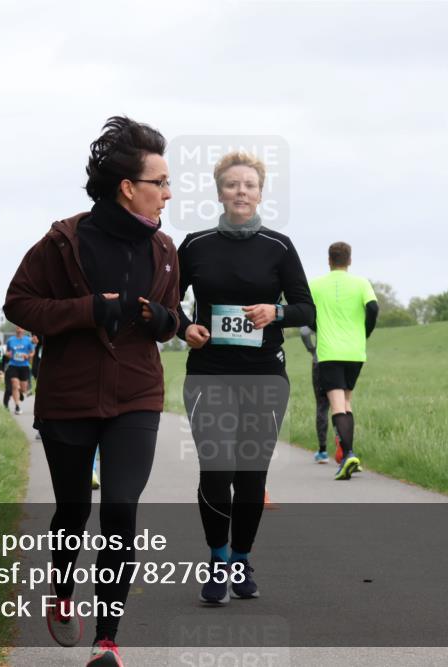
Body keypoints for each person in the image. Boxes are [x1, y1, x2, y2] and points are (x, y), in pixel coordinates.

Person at [4, 116, 179, 667]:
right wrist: (88, 310)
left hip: (136, 395)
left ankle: (107, 640)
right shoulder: (63, 242)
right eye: (160, 182)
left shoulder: (164, 249)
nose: (168, 193)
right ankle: (61, 591)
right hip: (70, 395)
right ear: (128, 187)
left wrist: (164, 321)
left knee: (121, 507)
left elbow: (173, 317)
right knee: (74, 509)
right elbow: (18, 303)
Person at [177, 150, 315, 605]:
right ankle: (217, 560)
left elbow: (306, 309)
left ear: (260, 193)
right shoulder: (195, 245)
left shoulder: (279, 246)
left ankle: (241, 559)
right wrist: (185, 328)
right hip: (209, 374)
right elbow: (167, 302)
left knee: (251, 474)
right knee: (217, 471)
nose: (241, 191)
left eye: (249, 185)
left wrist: (276, 312)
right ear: (219, 192)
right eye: (233, 184)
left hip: (264, 376)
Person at [308, 241, 379, 481]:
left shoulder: (316, 285)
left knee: (337, 405)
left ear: (329, 260)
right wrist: (365, 331)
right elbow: (373, 308)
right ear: (349, 260)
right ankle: (350, 456)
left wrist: (317, 326)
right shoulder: (362, 283)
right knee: (347, 402)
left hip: (329, 352)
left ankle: (348, 454)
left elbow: (306, 313)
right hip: (355, 351)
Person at [300, 325, 336, 463]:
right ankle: (344, 450)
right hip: (341, 360)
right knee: (340, 405)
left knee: (322, 406)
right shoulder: (341, 316)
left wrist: (312, 349)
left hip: (320, 360)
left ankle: (323, 451)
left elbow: (304, 332)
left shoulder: (320, 314)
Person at [4, 328, 34, 414]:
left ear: (23, 330)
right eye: (18, 328)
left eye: (21, 329)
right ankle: (17, 406)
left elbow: (32, 352)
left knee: (23, 388)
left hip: (24, 366)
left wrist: (28, 356)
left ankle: (20, 393)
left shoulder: (28, 340)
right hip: (13, 365)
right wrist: (8, 354)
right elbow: (7, 352)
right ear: (16, 330)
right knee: (14, 385)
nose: (19, 330)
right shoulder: (10, 340)